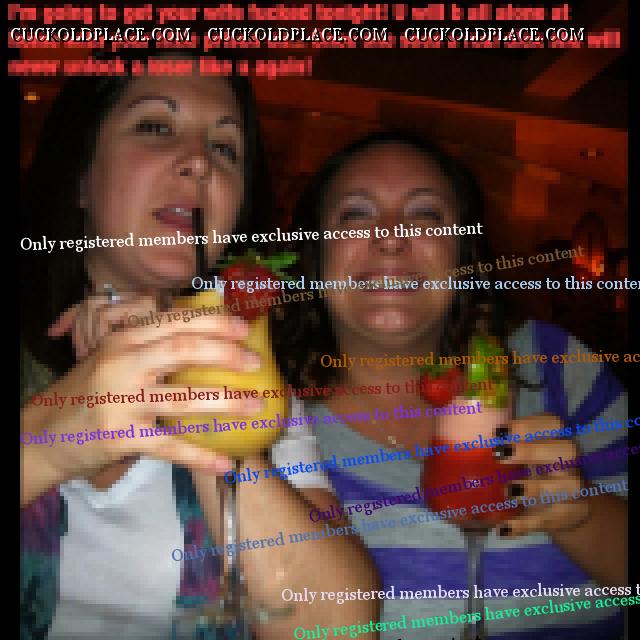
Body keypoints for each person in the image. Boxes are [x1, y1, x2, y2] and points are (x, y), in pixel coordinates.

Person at [20, 66, 379, 639]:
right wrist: (47, 441)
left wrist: (198, 407)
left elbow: (335, 625)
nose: (199, 162)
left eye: (224, 148)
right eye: (156, 127)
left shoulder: (254, 377)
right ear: (81, 177)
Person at [272, 132, 628, 639]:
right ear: (315, 255)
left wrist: (583, 513)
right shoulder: (267, 416)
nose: (391, 237)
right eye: (355, 214)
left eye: (425, 215)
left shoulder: (558, 365)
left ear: (463, 252)